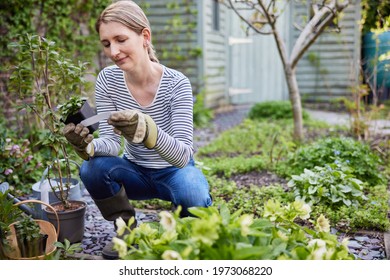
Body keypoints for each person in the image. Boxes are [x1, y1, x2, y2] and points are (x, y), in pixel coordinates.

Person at [63, 0, 212, 259]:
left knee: (193, 190)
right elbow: (110, 143)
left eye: (121, 39)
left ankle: (186, 237)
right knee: (91, 167)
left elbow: (183, 156)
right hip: (135, 172)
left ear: (145, 36)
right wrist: (87, 146)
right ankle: (126, 229)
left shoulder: (177, 84)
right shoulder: (108, 80)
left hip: (175, 172)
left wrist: (148, 131)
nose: (114, 51)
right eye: (107, 43)